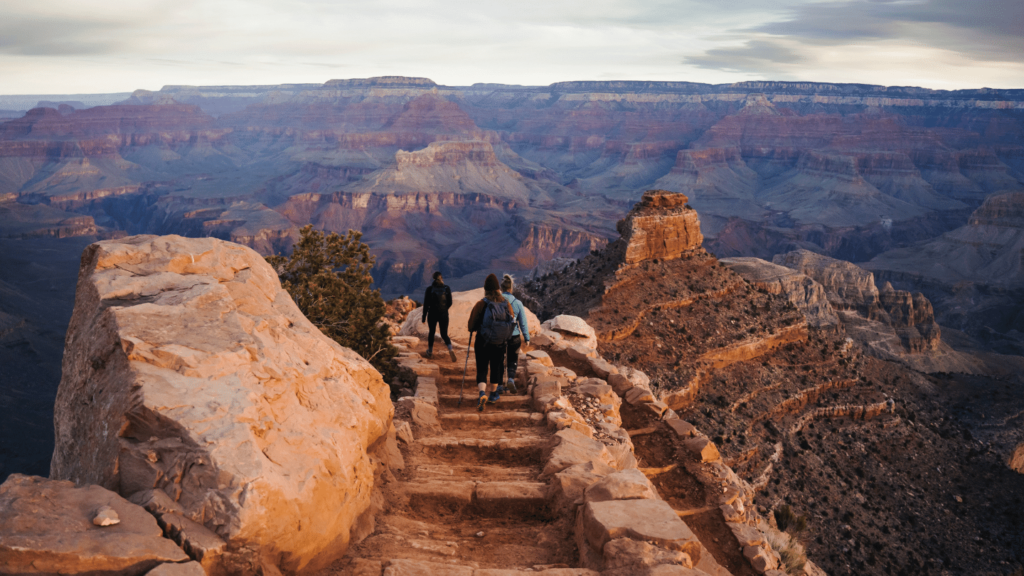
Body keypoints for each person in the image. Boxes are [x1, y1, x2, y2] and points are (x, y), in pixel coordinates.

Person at [467, 273, 516, 411]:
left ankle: (482, 393)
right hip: (500, 343)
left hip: (483, 342)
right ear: (498, 288)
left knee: (482, 367)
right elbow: (511, 320)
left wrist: (479, 327)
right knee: (496, 367)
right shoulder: (506, 303)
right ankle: (493, 394)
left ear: (486, 289)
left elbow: (471, 326)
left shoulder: (481, 304)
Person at [500, 273, 529, 394]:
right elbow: (523, 323)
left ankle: (499, 385)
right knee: (513, 359)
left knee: (499, 359)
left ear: (501, 288)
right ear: (511, 289)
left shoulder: (496, 302)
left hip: (499, 335)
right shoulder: (518, 303)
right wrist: (526, 337)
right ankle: (511, 378)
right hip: (514, 335)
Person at [421, 271, 456, 361]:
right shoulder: (446, 288)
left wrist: (424, 317)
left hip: (432, 314)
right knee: (444, 334)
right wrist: (444, 309)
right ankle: (450, 349)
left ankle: (430, 351)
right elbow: (450, 302)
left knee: (431, 332)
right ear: (441, 278)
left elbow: (426, 304)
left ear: (433, 279)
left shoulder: (429, 289)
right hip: (443, 314)